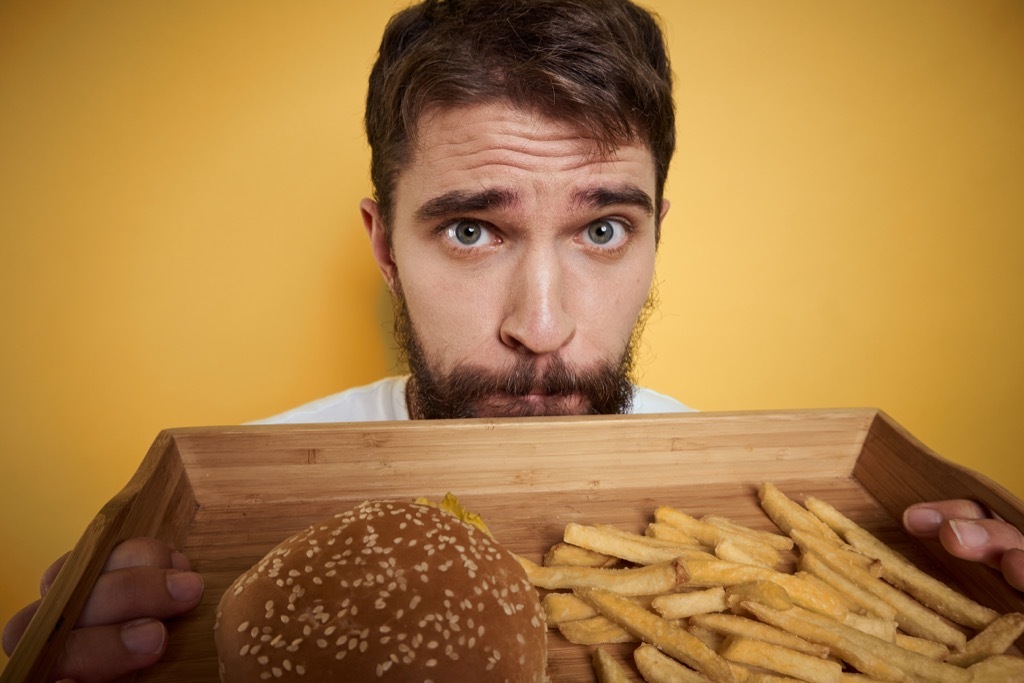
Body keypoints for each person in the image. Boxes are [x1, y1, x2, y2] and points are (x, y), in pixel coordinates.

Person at [3, 1, 1022, 680]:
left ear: (658, 235)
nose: (541, 324)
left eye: (602, 228)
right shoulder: (249, 493)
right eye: (470, 228)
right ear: (384, 245)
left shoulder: (771, 530)